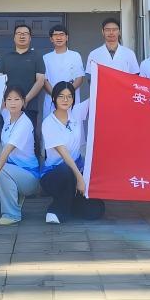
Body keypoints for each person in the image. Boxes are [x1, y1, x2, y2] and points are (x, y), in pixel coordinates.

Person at [40, 82, 105, 224]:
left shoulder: (76, 112)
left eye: (69, 96)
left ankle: (70, 203)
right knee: (66, 170)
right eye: (61, 96)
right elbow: (65, 155)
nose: (65, 100)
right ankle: (57, 209)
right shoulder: (48, 123)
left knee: (96, 210)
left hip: (75, 171)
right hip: (55, 175)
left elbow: (97, 96)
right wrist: (80, 179)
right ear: (54, 98)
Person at [0, 86, 40, 225]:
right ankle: (13, 203)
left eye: (17, 99)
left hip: (28, 176)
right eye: (9, 99)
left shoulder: (24, 123)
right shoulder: (7, 115)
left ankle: (12, 214)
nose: (13, 103)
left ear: (23, 102)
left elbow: (7, 150)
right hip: (10, 173)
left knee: (2, 169)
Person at [0, 24, 46, 153]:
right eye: (19, 33)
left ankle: (33, 164)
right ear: (14, 37)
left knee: (30, 137)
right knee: (9, 137)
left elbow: (40, 80)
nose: (22, 36)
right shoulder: (6, 57)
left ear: (30, 38)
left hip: (30, 105)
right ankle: (8, 163)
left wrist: (25, 100)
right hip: (9, 107)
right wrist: (6, 102)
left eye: (25, 33)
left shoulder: (36, 56)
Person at [42, 24, 84, 118]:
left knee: (72, 124)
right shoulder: (46, 58)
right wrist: (56, 96)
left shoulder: (75, 56)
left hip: (71, 99)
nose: (59, 38)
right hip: (52, 100)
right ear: (51, 39)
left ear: (67, 37)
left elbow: (79, 78)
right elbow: (44, 80)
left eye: (61, 35)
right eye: (55, 35)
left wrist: (67, 94)